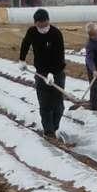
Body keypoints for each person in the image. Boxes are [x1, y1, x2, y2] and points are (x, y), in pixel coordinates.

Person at [17, 8, 67, 137]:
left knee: (58, 106)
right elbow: (25, 44)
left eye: (45, 25)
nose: (43, 28)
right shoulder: (32, 32)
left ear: (48, 21)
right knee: (45, 104)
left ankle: (54, 127)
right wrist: (22, 59)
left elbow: (59, 55)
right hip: (41, 73)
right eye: (40, 26)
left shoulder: (56, 33)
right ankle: (48, 132)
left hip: (57, 73)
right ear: (35, 23)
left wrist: (52, 73)